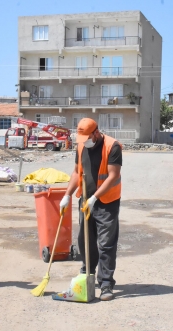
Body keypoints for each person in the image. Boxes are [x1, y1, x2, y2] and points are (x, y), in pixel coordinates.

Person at [59, 118, 122, 301]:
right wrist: (67, 194)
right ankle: (88, 271)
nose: (84, 142)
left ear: (96, 132)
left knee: (106, 243)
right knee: (85, 240)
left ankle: (106, 284)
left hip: (107, 201)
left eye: (87, 137)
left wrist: (96, 197)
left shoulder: (112, 146)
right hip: (86, 200)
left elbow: (113, 176)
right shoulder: (81, 146)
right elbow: (77, 171)